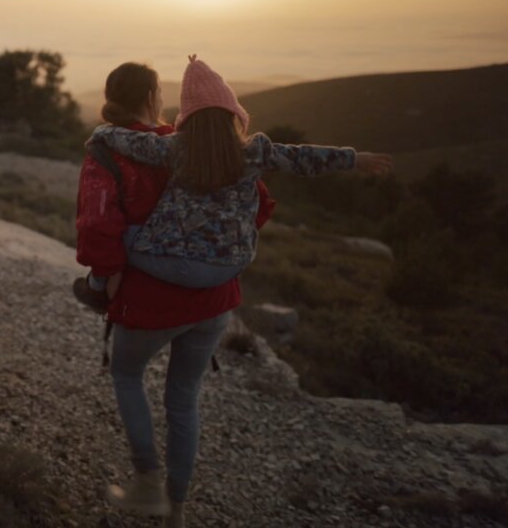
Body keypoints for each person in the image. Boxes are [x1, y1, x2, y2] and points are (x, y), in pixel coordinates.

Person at [75, 62, 276, 527]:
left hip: (150, 299)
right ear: (151, 98)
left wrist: (108, 275)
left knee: (127, 375)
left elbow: (97, 223)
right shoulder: (202, 145)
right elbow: (259, 203)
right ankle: (177, 510)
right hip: (214, 300)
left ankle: (147, 483)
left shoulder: (108, 150)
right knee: (184, 398)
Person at [87, 55, 393, 289]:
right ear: (232, 114)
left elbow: (135, 142)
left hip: (178, 263)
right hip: (231, 265)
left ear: (188, 117)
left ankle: (97, 289)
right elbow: (302, 158)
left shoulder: (175, 147)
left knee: (122, 235)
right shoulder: (254, 150)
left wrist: (103, 133)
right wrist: (354, 159)